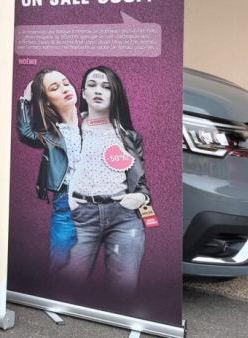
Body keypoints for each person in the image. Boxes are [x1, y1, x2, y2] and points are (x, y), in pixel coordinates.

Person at [67, 66, 150, 294]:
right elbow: (56, 170)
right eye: (92, 85)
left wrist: (141, 197)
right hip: (80, 216)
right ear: (82, 93)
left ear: (115, 94)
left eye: (106, 87)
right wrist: (68, 200)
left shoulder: (129, 136)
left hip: (124, 216)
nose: (98, 91)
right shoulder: (69, 130)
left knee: (123, 289)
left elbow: (139, 178)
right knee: (67, 284)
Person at [17, 68, 82, 273]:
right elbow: (26, 132)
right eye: (55, 88)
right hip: (67, 200)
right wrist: (25, 101)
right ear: (47, 101)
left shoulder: (93, 122)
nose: (64, 89)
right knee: (62, 262)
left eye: (65, 82)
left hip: (101, 202)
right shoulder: (53, 134)